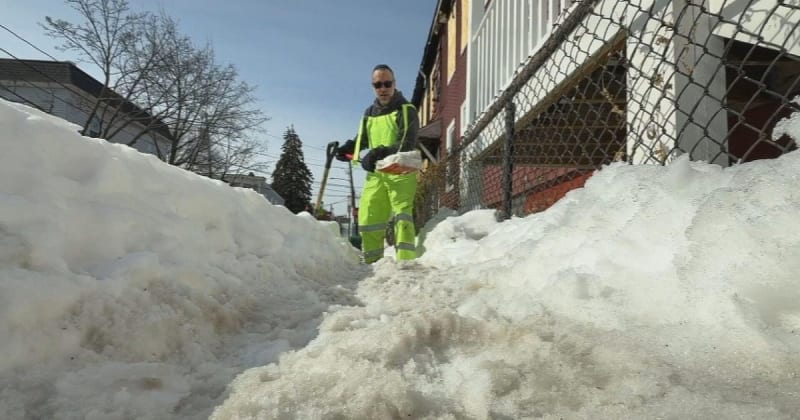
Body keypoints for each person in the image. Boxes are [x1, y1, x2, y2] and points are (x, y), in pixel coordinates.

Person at [335, 64, 419, 263]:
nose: (383, 88)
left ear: (394, 84)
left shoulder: (406, 110)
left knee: (402, 217)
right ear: (373, 86)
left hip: (400, 171)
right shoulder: (369, 113)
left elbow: (407, 141)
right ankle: (372, 264)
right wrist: (347, 148)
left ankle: (405, 263)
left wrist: (378, 153)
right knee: (368, 218)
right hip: (377, 174)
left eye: (387, 83)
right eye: (378, 84)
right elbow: (362, 139)